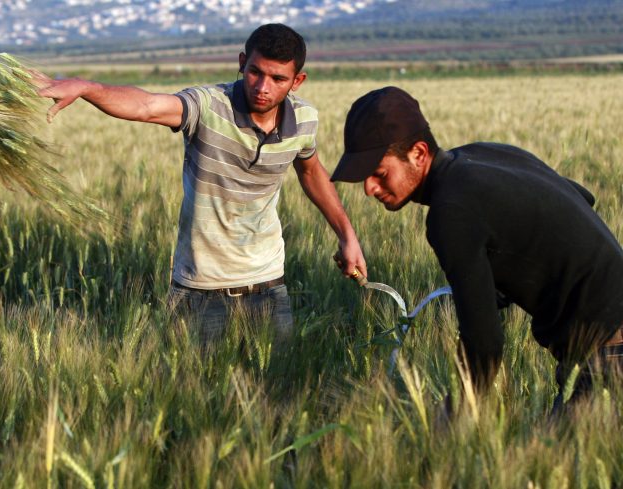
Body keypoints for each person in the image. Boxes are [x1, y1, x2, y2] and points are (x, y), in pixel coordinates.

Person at [35, 24, 366, 345]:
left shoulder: (305, 120)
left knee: (274, 388)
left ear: (298, 81)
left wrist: (347, 235)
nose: (262, 86)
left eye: (278, 78)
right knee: (191, 387)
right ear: (242, 62)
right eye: (255, 72)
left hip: (268, 283)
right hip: (198, 289)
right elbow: (147, 106)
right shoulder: (208, 106)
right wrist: (87, 88)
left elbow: (310, 172)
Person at [330, 86, 623, 408]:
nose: (370, 189)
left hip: (608, 350)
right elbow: (581, 196)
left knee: (558, 451)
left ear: (418, 153)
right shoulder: (485, 154)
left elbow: (484, 343)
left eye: (379, 174)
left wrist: (457, 413)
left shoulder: (450, 213)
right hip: (608, 338)